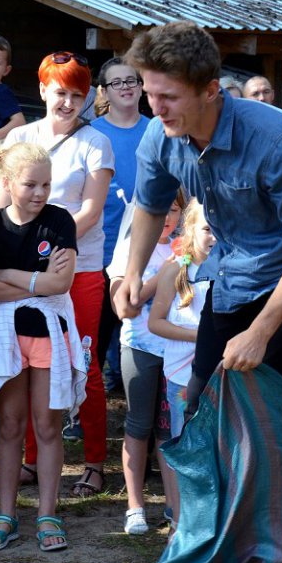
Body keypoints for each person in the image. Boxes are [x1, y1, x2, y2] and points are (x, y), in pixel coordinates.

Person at [112, 21, 282, 563]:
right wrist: (132, 274)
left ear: (212, 89)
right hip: (234, 278)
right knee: (203, 419)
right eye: (146, 92)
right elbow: (148, 207)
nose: (151, 107)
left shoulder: (279, 138)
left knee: (255, 419)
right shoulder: (164, 137)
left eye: (166, 97)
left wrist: (262, 334)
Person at [0, 51, 114, 496]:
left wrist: (53, 250)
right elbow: (2, 204)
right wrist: (8, 251)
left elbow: (91, 208)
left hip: (78, 268)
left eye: (76, 94)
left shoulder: (95, 143)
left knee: (81, 364)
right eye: (59, 91)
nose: (66, 102)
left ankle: (94, 460)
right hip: (22, 273)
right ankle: (31, 458)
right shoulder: (22, 137)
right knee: (26, 362)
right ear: (43, 88)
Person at [0, 142, 86, 551]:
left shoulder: (59, 221)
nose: (40, 193)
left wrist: (12, 275)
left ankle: (47, 513)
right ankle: (6, 514)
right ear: (6, 181)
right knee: (11, 427)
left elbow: (61, 284)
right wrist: (35, 280)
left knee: (48, 426)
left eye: (47, 184)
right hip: (7, 339)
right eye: (30, 184)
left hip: (50, 338)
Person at [108, 192, 186, 535]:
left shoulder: (188, 246)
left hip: (178, 352)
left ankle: (175, 507)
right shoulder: (130, 250)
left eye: (172, 208)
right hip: (139, 347)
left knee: (169, 430)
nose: (166, 216)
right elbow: (128, 305)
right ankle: (135, 506)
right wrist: (168, 270)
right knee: (139, 424)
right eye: (158, 208)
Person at [92, 56, 150, 398]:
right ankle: (83, 412)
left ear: (142, 87)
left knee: (142, 338)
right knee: (96, 337)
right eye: (117, 82)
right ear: (103, 91)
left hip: (144, 252)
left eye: (132, 80)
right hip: (101, 251)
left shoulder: (158, 130)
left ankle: (144, 414)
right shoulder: (92, 133)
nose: (126, 87)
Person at [148, 198, 216, 440]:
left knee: (217, 442)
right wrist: (199, 336)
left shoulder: (231, 271)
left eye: (219, 229)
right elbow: (155, 322)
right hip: (182, 376)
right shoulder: (175, 270)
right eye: (207, 229)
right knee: (184, 440)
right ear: (190, 229)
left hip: (220, 374)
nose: (214, 238)